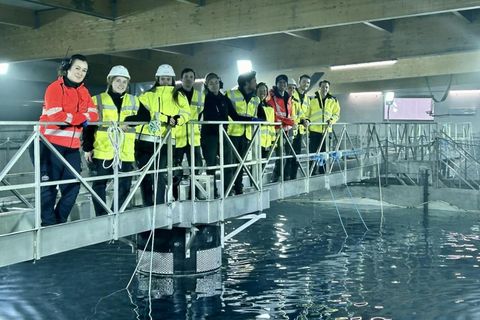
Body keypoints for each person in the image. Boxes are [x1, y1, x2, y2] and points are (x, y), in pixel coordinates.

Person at [82, 65, 150, 216]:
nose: (121, 84)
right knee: (99, 184)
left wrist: (129, 121)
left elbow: (147, 117)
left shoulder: (134, 100)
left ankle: (115, 214)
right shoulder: (97, 99)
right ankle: (101, 215)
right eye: (118, 80)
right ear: (110, 81)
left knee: (124, 185)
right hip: (103, 149)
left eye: (124, 82)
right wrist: (87, 148)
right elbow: (88, 126)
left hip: (125, 151)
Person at [39, 54, 98, 226]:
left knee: (73, 186)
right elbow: (56, 117)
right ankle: (48, 225)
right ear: (68, 68)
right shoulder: (54, 88)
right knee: (49, 188)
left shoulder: (84, 91)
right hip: (50, 145)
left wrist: (72, 118)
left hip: (72, 148)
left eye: (84, 70)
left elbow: (94, 116)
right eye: (77, 68)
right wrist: (82, 118)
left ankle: (59, 220)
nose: (80, 72)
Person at [136, 64, 190, 205]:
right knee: (145, 175)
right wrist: (165, 118)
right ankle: (147, 205)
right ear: (157, 79)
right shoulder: (147, 95)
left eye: (168, 79)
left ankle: (158, 205)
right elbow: (144, 114)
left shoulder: (179, 96)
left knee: (159, 174)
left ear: (172, 79)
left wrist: (178, 119)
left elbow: (186, 113)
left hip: (166, 140)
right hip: (145, 140)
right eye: (163, 79)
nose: (165, 81)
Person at [201, 73, 260, 198]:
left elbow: (235, 116)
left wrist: (252, 120)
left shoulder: (224, 99)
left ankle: (227, 191)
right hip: (209, 136)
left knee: (229, 164)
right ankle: (212, 193)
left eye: (216, 82)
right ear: (206, 85)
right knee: (211, 165)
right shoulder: (204, 98)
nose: (214, 85)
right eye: (211, 83)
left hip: (223, 135)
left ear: (219, 83)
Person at [225, 71, 264, 194]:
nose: (256, 83)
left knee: (241, 163)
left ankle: (238, 187)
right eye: (254, 81)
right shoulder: (230, 94)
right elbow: (231, 115)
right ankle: (228, 188)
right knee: (229, 164)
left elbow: (261, 116)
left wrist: (257, 120)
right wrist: (251, 119)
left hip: (246, 135)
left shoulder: (256, 99)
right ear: (246, 83)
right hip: (232, 134)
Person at [174, 68, 205, 200]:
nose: (188, 79)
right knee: (176, 169)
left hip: (194, 138)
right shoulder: (174, 95)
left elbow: (200, 115)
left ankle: (193, 195)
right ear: (181, 79)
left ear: (194, 79)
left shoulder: (199, 96)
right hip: (178, 137)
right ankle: (174, 196)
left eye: (191, 76)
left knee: (196, 168)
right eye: (186, 76)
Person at [306, 79, 341, 175]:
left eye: (326, 87)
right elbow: (307, 114)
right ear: (319, 87)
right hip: (314, 131)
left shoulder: (333, 100)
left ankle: (323, 173)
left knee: (325, 154)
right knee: (313, 154)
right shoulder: (312, 100)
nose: (324, 89)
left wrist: (331, 121)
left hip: (326, 131)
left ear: (328, 88)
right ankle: (311, 173)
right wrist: (307, 120)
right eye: (323, 86)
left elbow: (336, 114)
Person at [266, 74, 294, 182]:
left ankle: (282, 176)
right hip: (278, 130)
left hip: (287, 130)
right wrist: (289, 122)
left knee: (287, 156)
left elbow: (289, 114)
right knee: (280, 156)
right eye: (280, 82)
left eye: (284, 83)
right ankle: (275, 177)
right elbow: (273, 115)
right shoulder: (271, 97)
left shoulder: (288, 98)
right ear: (276, 84)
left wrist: (291, 123)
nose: (282, 84)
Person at [286, 74, 311, 180]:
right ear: (299, 81)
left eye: (308, 83)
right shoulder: (291, 94)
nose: (306, 84)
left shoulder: (307, 98)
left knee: (297, 155)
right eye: (304, 81)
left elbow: (307, 114)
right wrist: (301, 120)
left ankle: (293, 176)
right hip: (290, 128)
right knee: (287, 154)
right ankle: (285, 176)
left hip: (300, 130)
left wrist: (307, 120)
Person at [256, 82, 276, 163]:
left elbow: (271, 126)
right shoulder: (253, 105)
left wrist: (273, 140)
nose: (263, 92)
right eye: (260, 90)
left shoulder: (270, 108)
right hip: (256, 141)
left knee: (263, 165)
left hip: (267, 142)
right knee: (255, 166)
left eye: (264, 90)